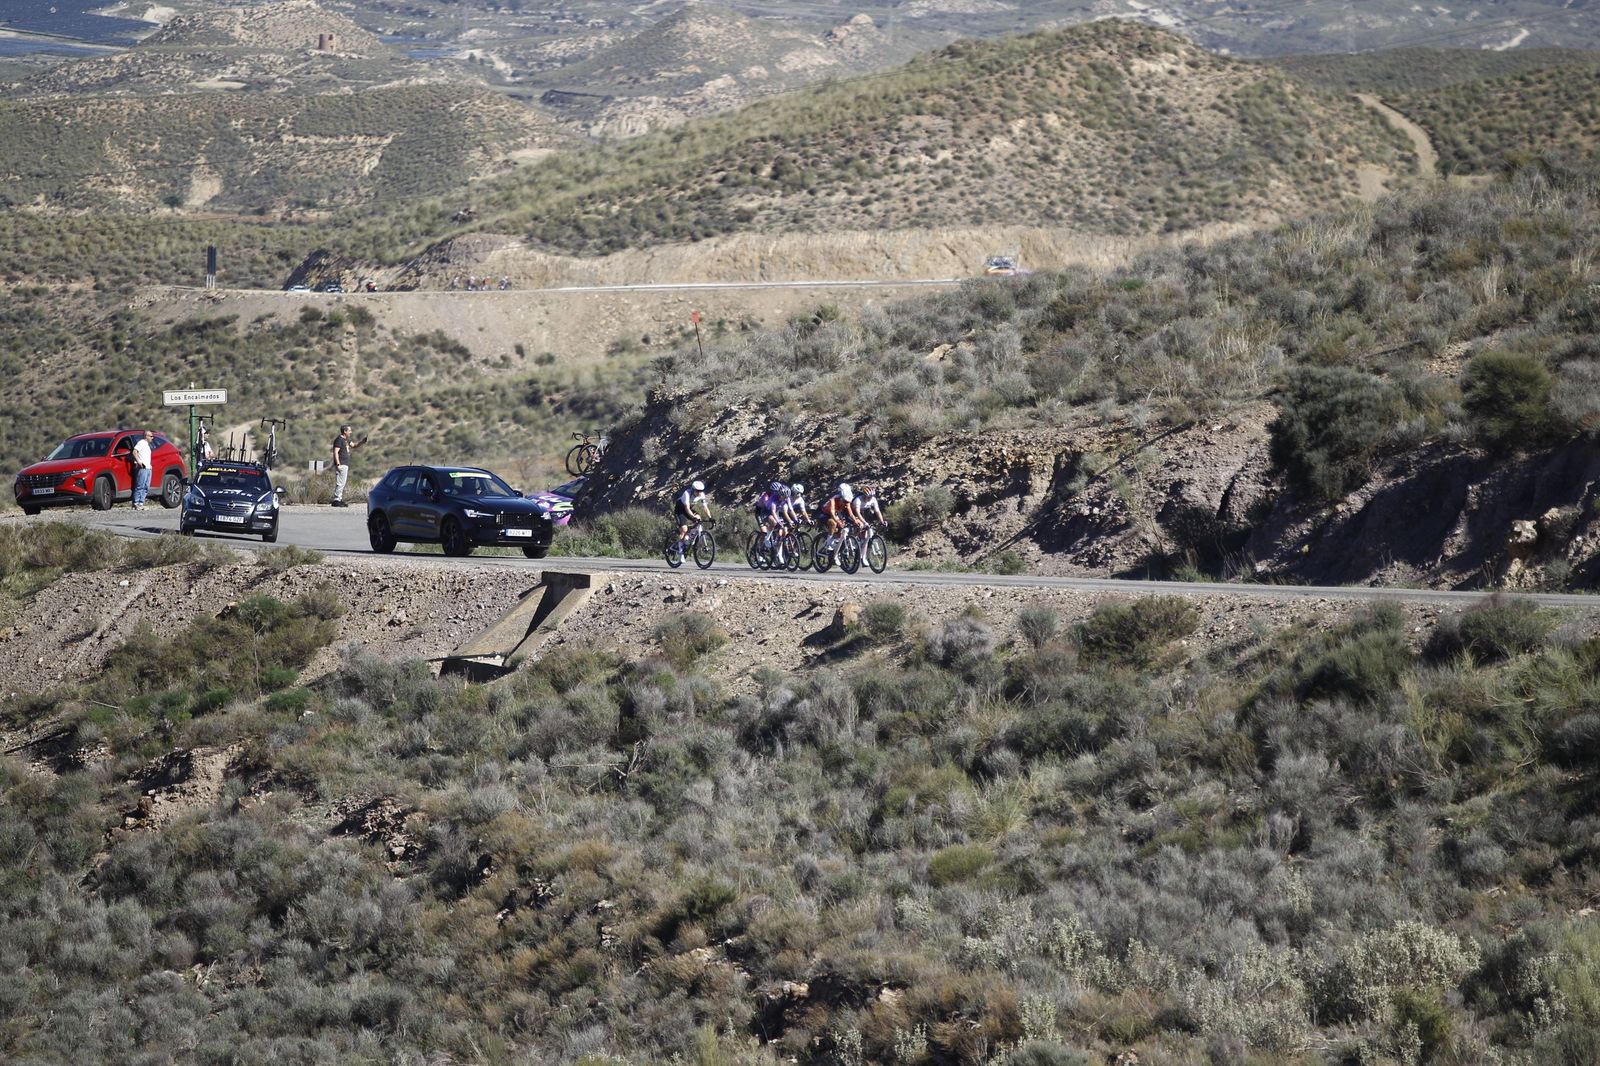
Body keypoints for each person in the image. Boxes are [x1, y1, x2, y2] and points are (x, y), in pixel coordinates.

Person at [672, 480, 712, 559]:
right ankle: (680, 549)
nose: (699, 493)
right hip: (680, 510)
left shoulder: (701, 495)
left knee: (698, 518)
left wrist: (710, 518)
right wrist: (693, 517)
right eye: (697, 491)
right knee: (684, 529)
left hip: (689, 510)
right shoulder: (687, 493)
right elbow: (686, 508)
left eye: (701, 491)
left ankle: (688, 537)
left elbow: (705, 507)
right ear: (693, 490)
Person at [330, 424, 366, 507]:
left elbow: (354, 445)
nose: (351, 432)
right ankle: (336, 500)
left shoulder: (346, 439)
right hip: (341, 463)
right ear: (344, 431)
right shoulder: (339, 440)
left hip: (345, 464)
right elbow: (335, 452)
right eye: (349, 430)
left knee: (342, 482)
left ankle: (339, 499)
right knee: (340, 482)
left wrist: (362, 442)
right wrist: (338, 464)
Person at [130, 429, 154, 509]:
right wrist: (139, 461)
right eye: (150, 436)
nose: (152, 438)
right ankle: (136, 502)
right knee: (140, 485)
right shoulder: (141, 443)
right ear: (146, 436)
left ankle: (141, 503)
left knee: (146, 486)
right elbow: (134, 451)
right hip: (142, 468)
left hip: (148, 468)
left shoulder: (147, 445)